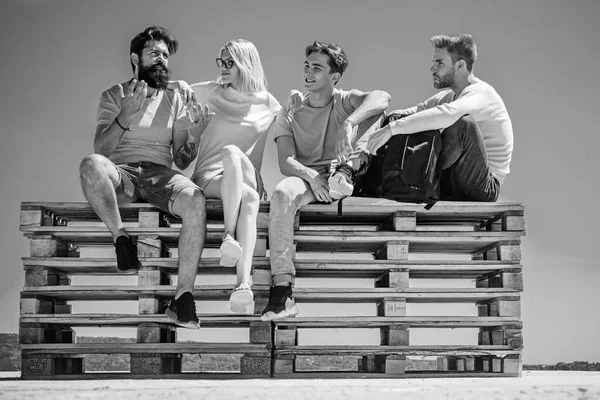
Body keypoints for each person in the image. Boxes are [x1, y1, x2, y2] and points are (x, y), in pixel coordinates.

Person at [79, 26, 213, 330]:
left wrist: (194, 135)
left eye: (165, 55)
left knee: (195, 199)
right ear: (134, 58)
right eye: (154, 53)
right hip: (121, 173)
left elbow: (182, 158)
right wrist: (125, 115)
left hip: (160, 174)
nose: (162, 59)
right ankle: (121, 238)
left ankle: (183, 298)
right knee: (90, 164)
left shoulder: (177, 96)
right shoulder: (114, 95)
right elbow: (101, 149)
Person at [261, 41, 390, 321]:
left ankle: (347, 171)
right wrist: (313, 178)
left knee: (376, 113)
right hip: (309, 178)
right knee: (282, 193)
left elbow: (382, 97)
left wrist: (349, 122)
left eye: (317, 68)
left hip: (341, 171)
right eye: (307, 66)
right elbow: (286, 162)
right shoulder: (289, 111)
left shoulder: (344, 100)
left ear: (334, 77)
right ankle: (282, 290)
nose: (308, 72)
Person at [172, 39, 281, 313]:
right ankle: (243, 282)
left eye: (229, 62)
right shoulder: (210, 92)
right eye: (220, 62)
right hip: (210, 177)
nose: (222, 68)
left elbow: (298, 120)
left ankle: (229, 237)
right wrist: (180, 85)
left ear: (246, 64)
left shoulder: (268, 102)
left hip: (246, 173)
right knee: (250, 197)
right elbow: (171, 89)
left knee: (233, 154)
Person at [367, 34, 513, 202]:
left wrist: (393, 129)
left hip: (483, 187)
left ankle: (414, 181)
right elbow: (410, 114)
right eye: (433, 62)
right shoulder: (446, 97)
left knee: (462, 125)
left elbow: (448, 113)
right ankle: (380, 184)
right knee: (404, 121)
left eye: (439, 62)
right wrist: (385, 125)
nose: (432, 69)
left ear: (460, 65)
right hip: (451, 181)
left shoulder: (482, 93)